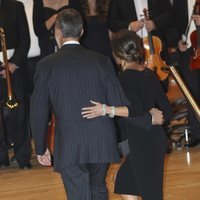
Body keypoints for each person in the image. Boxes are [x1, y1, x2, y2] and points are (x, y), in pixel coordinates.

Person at [30, 9, 163, 200]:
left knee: (79, 195)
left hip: (70, 144)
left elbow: (38, 110)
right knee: (98, 189)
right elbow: (120, 103)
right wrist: (147, 119)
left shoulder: (46, 65)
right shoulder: (101, 61)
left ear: (57, 31)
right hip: (102, 141)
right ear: (82, 31)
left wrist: (41, 147)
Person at [82, 30, 172, 200]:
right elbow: (166, 109)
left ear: (117, 55)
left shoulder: (124, 79)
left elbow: (135, 110)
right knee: (123, 181)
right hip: (152, 140)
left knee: (151, 195)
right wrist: (153, 117)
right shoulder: (148, 73)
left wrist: (107, 110)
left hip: (145, 145)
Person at [0, 0, 32, 169]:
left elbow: (24, 40)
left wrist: (12, 65)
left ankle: (23, 156)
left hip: (14, 67)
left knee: (19, 113)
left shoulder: (16, 6)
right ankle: (1, 156)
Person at [166, 0, 200, 147]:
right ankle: (197, 134)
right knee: (191, 93)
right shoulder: (180, 2)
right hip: (190, 55)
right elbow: (172, 26)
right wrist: (178, 41)